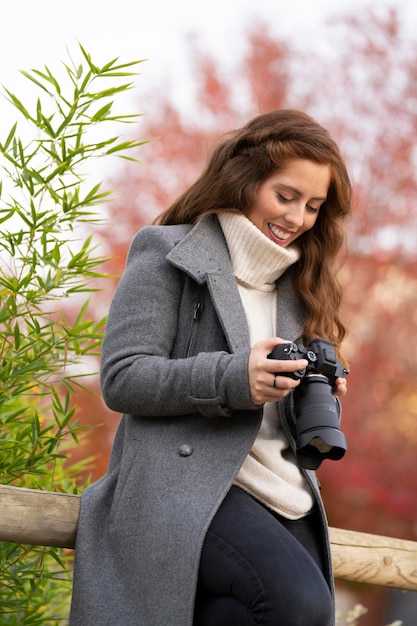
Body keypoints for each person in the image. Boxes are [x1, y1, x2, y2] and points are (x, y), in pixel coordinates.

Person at [69, 109, 351, 626]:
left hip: (283, 490)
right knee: (298, 603)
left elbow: (269, 409)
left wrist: (314, 387)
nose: (297, 218)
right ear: (244, 181)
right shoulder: (166, 253)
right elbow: (122, 377)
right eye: (285, 196)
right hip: (186, 484)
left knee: (235, 615)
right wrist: (233, 376)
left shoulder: (303, 287)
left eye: (313, 206)